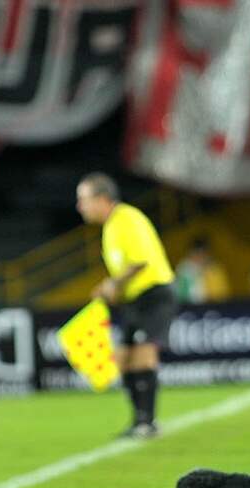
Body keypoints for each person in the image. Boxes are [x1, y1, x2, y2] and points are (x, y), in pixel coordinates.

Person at [76, 173, 176, 438]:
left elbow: (140, 261)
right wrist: (110, 288)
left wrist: (112, 284)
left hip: (154, 294)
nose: (80, 206)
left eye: (84, 199)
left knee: (143, 353)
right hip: (135, 299)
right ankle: (139, 420)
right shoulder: (110, 227)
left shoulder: (126, 219)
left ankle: (148, 422)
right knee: (124, 358)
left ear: (102, 199)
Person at [175, 237, 231, 304]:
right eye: (196, 253)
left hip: (210, 306)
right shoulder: (184, 270)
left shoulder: (214, 270)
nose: (199, 257)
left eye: (202, 253)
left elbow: (222, 295)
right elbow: (180, 295)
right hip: (190, 307)